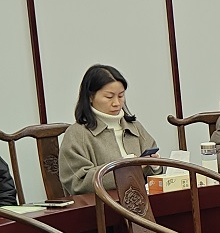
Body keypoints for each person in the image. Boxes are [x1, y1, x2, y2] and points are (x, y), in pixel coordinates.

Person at [58, 64, 159, 195]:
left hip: (141, 200)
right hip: (102, 204)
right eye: (109, 97)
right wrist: (126, 170)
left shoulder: (134, 127)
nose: (116, 103)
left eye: (121, 96)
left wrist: (154, 166)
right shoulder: (77, 134)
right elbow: (77, 183)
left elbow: (155, 175)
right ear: (90, 97)